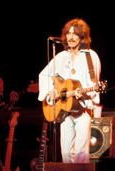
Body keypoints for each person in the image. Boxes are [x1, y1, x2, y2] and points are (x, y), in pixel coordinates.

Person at [38, 18, 102, 163]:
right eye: (68, 33)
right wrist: (51, 92)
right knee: (66, 152)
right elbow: (44, 75)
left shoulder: (91, 56)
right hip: (64, 111)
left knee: (80, 153)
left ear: (82, 37)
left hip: (82, 110)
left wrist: (84, 93)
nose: (71, 37)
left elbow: (94, 84)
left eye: (75, 34)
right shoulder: (61, 57)